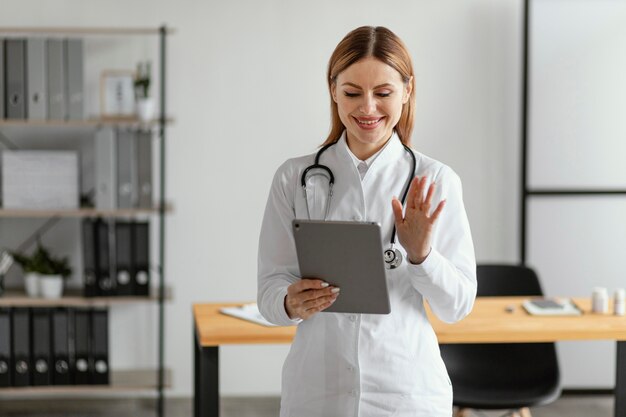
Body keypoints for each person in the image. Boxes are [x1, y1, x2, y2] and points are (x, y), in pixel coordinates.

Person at [257, 26, 476, 417]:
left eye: (384, 93)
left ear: (407, 91)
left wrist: (422, 255)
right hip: (317, 391)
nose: (368, 108)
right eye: (353, 93)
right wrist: (290, 302)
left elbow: (457, 306)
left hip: (405, 391)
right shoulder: (294, 178)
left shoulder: (437, 181)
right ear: (333, 90)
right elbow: (270, 291)